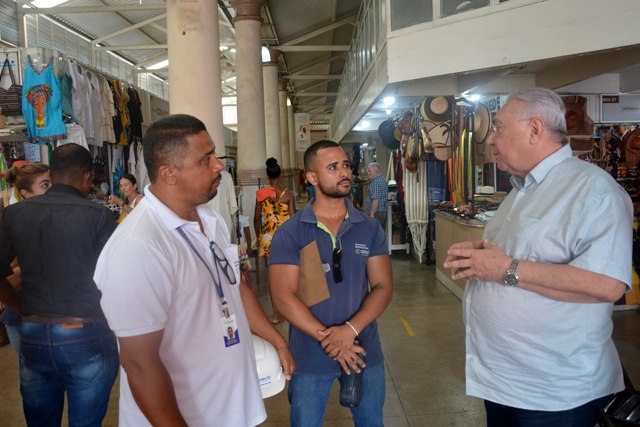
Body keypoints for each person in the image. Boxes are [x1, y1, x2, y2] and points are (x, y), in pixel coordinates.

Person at [443, 88, 632, 427]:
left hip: (556, 393)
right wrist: (479, 261)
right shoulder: (522, 189)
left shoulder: (593, 191)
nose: (491, 140)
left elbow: (608, 285)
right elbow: (516, 258)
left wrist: (506, 269)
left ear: (534, 129)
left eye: (498, 127)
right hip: (506, 383)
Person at [93, 114, 294, 427]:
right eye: (206, 159)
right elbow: (140, 364)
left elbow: (234, 286)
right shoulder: (140, 245)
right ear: (168, 173)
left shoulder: (207, 219)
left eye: (215, 154)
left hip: (229, 407)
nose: (218, 166)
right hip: (187, 416)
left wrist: (277, 341)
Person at [268, 139, 394, 427]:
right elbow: (283, 298)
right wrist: (332, 338)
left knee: (372, 422)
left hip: (364, 349)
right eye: (333, 167)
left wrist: (350, 331)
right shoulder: (291, 233)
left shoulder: (368, 227)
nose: (344, 172)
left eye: (346, 165)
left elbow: (383, 287)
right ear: (311, 177)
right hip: (309, 355)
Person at [0, 143, 119, 427]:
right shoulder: (99, 216)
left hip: (33, 333)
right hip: (87, 332)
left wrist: (21, 307)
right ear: (88, 177)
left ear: (52, 174)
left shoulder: (14, 214)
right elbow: (117, 279)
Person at [0, 162, 51, 354]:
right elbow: (9, 279)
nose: (53, 190)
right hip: (24, 318)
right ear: (25, 193)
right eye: (45, 185)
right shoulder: (14, 224)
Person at [254, 157, 295, 324]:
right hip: (285, 236)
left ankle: (276, 315)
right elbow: (293, 219)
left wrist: (260, 237)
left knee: (273, 277)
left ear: (267, 175)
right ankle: (289, 311)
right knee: (286, 275)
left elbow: (256, 219)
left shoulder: (261, 195)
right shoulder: (288, 195)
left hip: (268, 238)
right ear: (282, 174)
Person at [365, 162, 388, 230]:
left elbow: (376, 200)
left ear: (376, 171)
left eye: (369, 171)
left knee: (375, 233)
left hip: (377, 213)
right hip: (382, 211)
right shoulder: (382, 179)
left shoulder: (375, 182)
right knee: (381, 233)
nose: (368, 173)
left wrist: (372, 214)